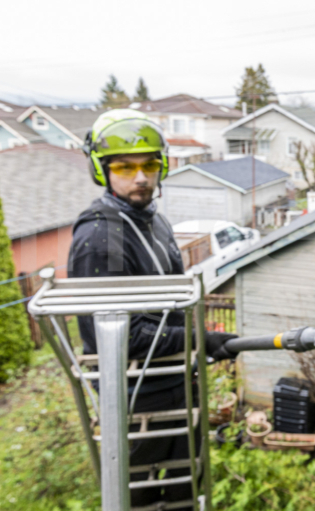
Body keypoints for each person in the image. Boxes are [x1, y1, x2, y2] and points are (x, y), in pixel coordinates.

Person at [68, 109, 235, 508]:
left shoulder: (150, 219)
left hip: (174, 383)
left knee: (185, 490)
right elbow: (121, 335)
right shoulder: (102, 235)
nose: (141, 177)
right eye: (125, 167)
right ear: (101, 169)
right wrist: (202, 339)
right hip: (136, 400)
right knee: (139, 497)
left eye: (149, 164)